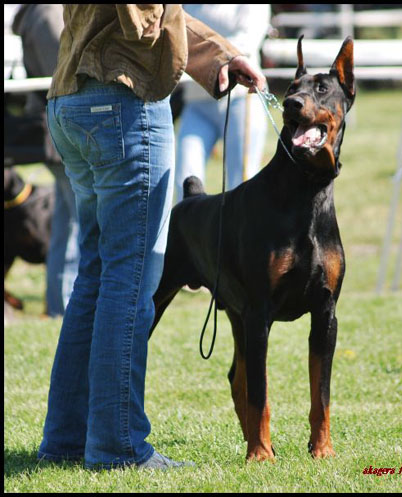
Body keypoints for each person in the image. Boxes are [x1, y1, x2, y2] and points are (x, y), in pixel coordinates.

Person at [37, 4, 266, 470]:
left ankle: (67, 440)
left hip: (71, 99)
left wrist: (218, 55)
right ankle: (118, 447)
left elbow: (162, 15)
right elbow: (145, 24)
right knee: (129, 279)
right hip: (124, 101)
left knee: (97, 276)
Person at [12, 4, 80, 317]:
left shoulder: (39, 14)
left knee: (67, 225)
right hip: (60, 131)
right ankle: (64, 305)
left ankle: (59, 305)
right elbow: (64, 73)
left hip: (53, 131)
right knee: (76, 225)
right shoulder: (46, 14)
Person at [174, 4, 270, 202]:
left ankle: (241, 233)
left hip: (241, 100)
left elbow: (247, 41)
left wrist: (205, 56)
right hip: (197, 102)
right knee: (184, 179)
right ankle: (191, 232)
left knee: (242, 182)